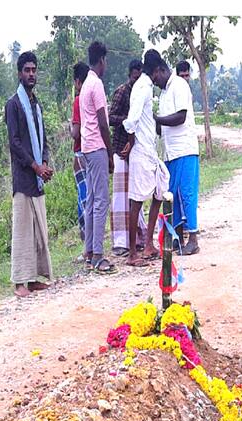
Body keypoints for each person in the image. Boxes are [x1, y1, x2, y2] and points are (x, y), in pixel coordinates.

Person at [4, 51, 54, 298]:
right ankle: (20, 283)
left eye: (34, 70)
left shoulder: (37, 104)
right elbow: (14, 143)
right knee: (22, 231)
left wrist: (44, 162)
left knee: (37, 230)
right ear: (19, 73)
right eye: (27, 70)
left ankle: (33, 279)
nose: (31, 74)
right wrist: (35, 166)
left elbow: (43, 139)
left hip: (37, 177)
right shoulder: (13, 104)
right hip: (24, 178)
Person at [120, 50, 170, 267]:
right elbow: (131, 121)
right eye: (161, 72)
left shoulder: (146, 87)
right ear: (156, 69)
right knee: (137, 201)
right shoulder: (142, 88)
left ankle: (148, 243)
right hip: (141, 150)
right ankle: (133, 253)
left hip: (149, 150)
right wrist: (131, 143)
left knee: (161, 187)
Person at [151, 50, 200, 255]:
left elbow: (180, 117)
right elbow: (162, 127)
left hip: (185, 149)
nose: (155, 81)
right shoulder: (163, 93)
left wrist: (156, 118)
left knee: (186, 194)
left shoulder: (179, 85)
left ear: (162, 70)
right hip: (170, 152)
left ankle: (194, 239)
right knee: (171, 196)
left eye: (155, 77)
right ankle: (177, 238)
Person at [79, 41, 115, 273]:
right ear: (101, 60)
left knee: (92, 200)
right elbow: (103, 122)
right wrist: (111, 153)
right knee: (101, 201)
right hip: (97, 147)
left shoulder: (84, 85)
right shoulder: (97, 84)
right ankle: (98, 256)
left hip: (86, 148)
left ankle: (89, 250)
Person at [108, 59, 147, 257]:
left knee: (136, 196)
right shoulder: (123, 92)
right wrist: (127, 121)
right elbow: (110, 117)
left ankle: (138, 237)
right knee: (120, 199)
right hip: (120, 151)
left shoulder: (143, 92)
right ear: (131, 74)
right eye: (134, 77)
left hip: (135, 150)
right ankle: (120, 242)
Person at [70, 62, 89, 243]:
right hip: (94, 153)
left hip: (80, 153)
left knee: (83, 198)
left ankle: (85, 239)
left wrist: (70, 127)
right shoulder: (93, 96)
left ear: (77, 82)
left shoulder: (78, 100)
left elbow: (75, 133)